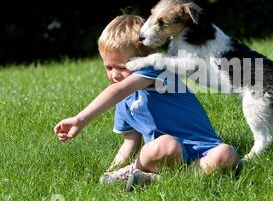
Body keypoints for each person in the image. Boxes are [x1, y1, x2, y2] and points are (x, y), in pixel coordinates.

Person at [53, 14, 238, 190]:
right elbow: (130, 142)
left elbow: (117, 90)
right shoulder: (125, 101)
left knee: (227, 154)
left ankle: (157, 180)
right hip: (167, 152)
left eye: (122, 67)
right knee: (167, 144)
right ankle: (129, 172)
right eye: (108, 67)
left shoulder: (154, 69)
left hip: (203, 147)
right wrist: (110, 170)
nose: (114, 75)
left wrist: (80, 119)